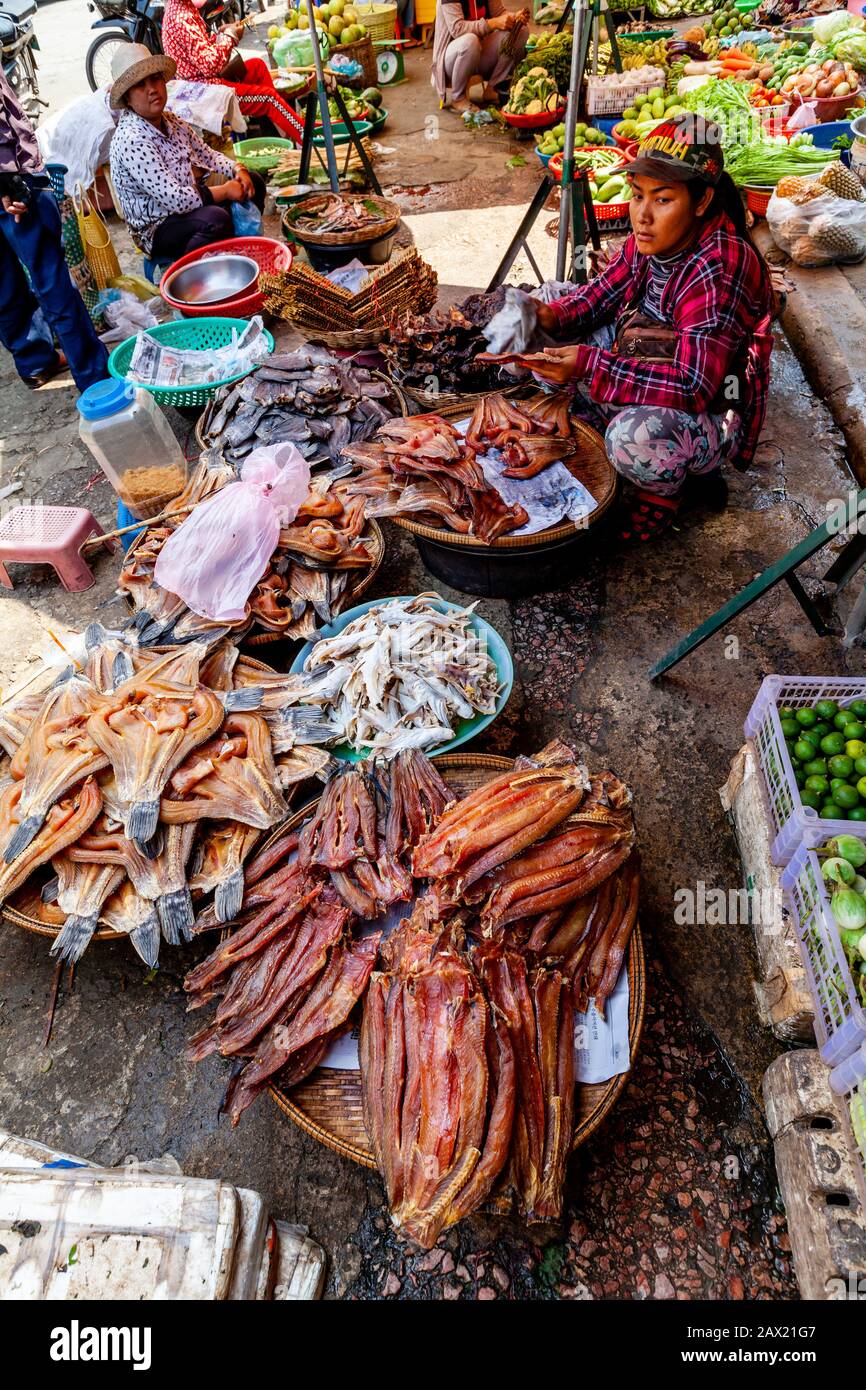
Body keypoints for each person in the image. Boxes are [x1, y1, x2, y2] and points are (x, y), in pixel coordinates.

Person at [529, 115, 775, 542]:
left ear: (700, 202)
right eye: (637, 195)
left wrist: (591, 365)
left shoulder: (717, 265)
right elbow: (602, 295)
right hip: (654, 354)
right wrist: (548, 317)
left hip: (717, 401)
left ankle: (672, 487)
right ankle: (603, 424)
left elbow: (695, 384)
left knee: (633, 440)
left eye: (662, 199)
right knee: (541, 346)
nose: (642, 215)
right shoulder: (651, 237)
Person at [0, 70, 108, 391]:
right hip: (11, 180)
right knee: (52, 283)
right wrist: (8, 177)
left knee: (5, 284)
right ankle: (95, 379)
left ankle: (35, 361)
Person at [108, 45, 266, 264]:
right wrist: (225, 191)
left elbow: (207, 155)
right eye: (140, 85)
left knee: (253, 182)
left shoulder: (171, 120)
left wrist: (237, 169)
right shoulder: (131, 139)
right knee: (215, 220)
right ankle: (189, 277)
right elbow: (177, 200)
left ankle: (245, 255)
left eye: (155, 79)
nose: (152, 89)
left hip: (187, 201)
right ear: (127, 99)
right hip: (157, 225)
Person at [162, 0, 304, 142]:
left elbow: (200, 52)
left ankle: (277, 134)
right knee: (268, 98)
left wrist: (220, 36)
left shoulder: (184, 8)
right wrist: (230, 37)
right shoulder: (182, 17)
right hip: (205, 92)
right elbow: (210, 66)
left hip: (207, 81)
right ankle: (307, 135)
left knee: (257, 66)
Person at [432, 0, 529, 114]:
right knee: (470, 40)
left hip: (480, 52)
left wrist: (513, 18)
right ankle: (458, 98)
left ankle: (493, 88)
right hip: (452, 60)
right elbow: (457, 29)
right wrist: (492, 23)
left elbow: (499, 13)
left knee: (520, 30)